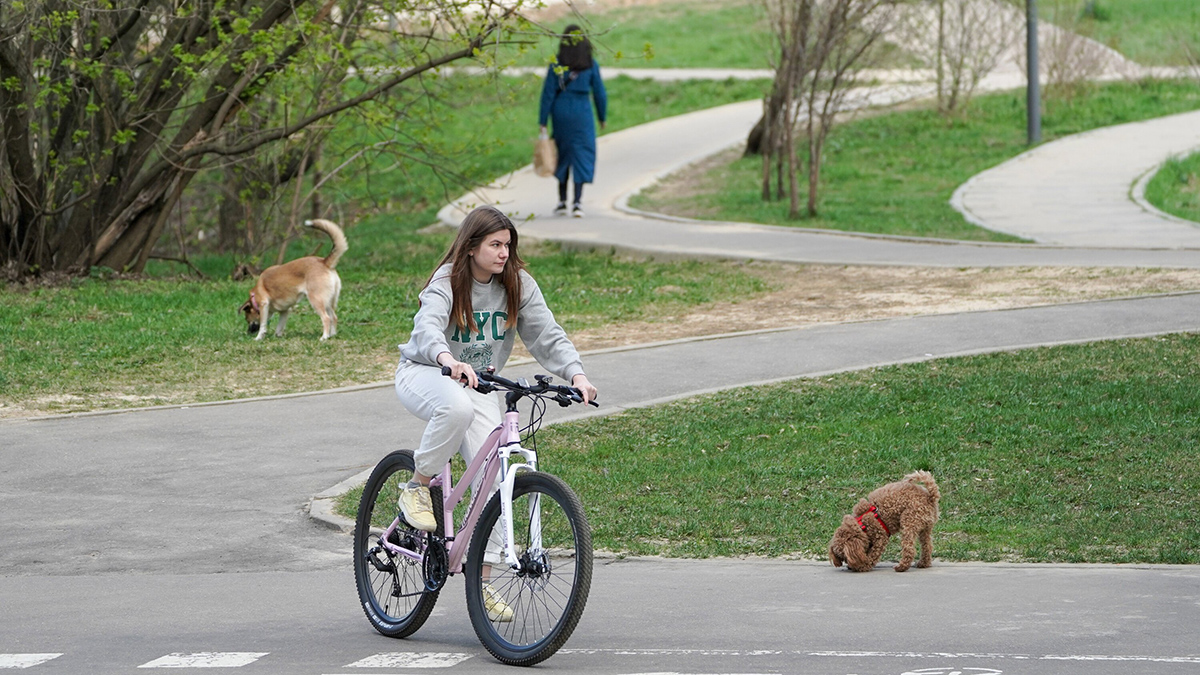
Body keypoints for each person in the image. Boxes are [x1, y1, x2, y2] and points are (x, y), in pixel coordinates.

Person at [394, 204, 598, 531]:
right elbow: (427, 327)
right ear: (471, 247)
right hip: (426, 371)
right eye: (495, 245)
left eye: (507, 245)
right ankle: (417, 487)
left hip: (479, 383)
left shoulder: (518, 284)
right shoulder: (448, 279)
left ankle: (484, 579)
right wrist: (448, 360)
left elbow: (547, 334)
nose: (504, 253)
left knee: (492, 481)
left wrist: (577, 375)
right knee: (456, 408)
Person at [539, 25, 607, 218]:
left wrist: (543, 120)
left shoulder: (556, 64)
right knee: (581, 154)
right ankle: (577, 203)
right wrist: (602, 117)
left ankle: (561, 202)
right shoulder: (591, 64)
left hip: (560, 112)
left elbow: (548, 94)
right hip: (582, 112)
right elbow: (600, 94)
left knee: (563, 153)